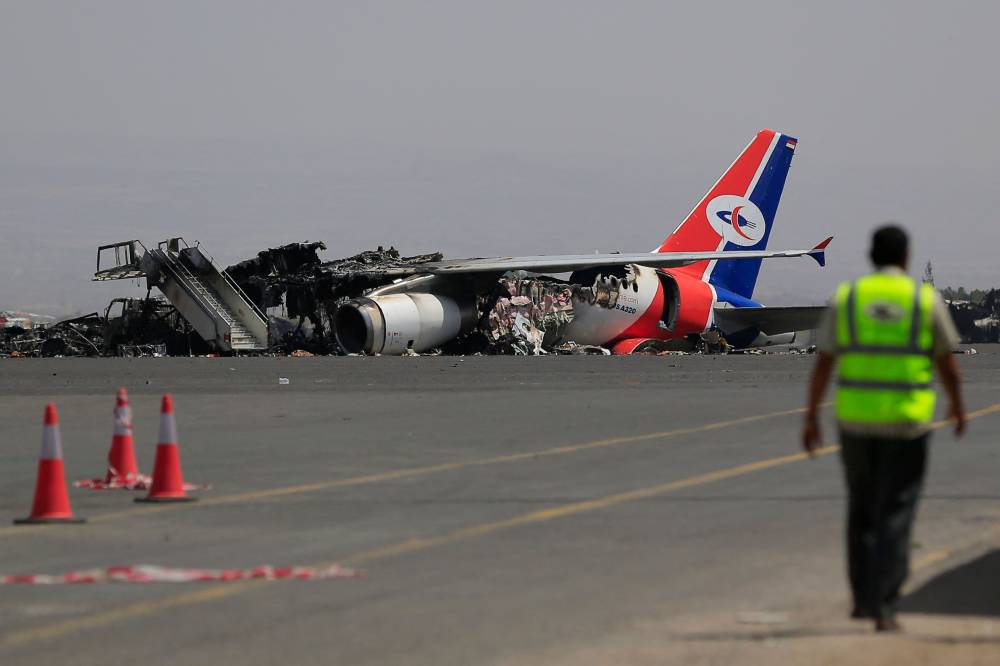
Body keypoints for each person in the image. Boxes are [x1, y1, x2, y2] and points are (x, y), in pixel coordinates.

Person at [802, 224, 966, 632]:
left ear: (870, 257)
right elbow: (947, 359)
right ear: (907, 258)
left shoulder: (849, 297)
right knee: (896, 513)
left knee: (861, 512)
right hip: (907, 423)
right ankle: (886, 604)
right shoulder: (922, 299)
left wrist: (810, 417)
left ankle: (862, 599)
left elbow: (824, 361)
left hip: (856, 423)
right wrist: (958, 407)